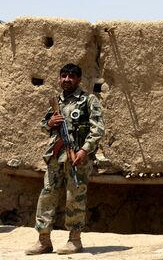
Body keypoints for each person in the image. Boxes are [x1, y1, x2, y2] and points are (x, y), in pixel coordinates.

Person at [25, 63, 105, 255]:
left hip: (77, 158)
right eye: (64, 76)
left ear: (78, 80)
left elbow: (98, 129)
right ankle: (44, 240)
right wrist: (49, 123)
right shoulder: (57, 102)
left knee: (74, 198)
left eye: (71, 76)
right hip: (55, 157)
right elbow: (44, 126)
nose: (67, 79)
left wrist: (84, 151)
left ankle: (74, 240)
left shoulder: (88, 100)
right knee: (47, 196)